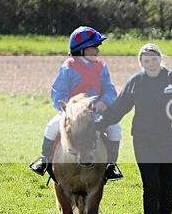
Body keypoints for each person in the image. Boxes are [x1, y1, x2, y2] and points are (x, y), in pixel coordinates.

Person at [96, 44, 172, 214]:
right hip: (144, 142)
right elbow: (118, 109)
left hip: (171, 141)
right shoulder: (136, 82)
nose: (150, 64)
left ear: (160, 59)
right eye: (146, 61)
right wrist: (99, 125)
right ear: (141, 63)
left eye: (153, 59)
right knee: (151, 186)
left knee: (168, 186)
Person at [29, 26, 123, 182]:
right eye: (94, 47)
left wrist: (104, 102)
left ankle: (111, 166)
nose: (98, 51)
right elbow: (58, 93)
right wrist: (70, 109)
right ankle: (44, 160)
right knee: (51, 127)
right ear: (82, 49)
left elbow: (110, 90)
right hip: (72, 113)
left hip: (96, 113)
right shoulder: (68, 66)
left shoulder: (101, 66)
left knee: (116, 128)